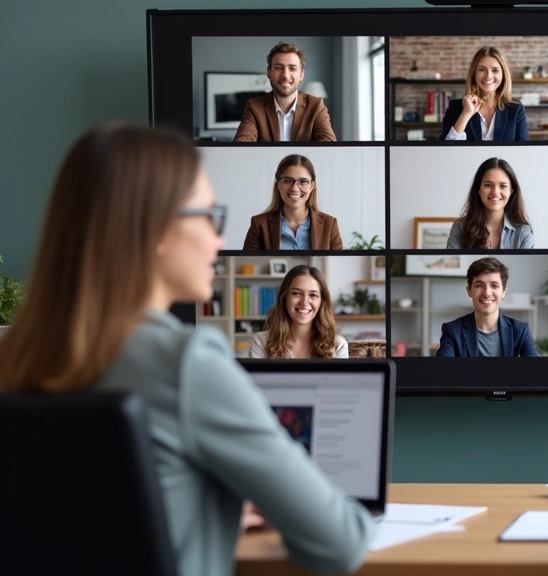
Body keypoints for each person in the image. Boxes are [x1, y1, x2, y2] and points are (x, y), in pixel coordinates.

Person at [0, 124, 374, 575]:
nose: (219, 241)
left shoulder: (16, 353)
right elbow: (341, 541)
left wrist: (203, 515)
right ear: (155, 228)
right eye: (208, 217)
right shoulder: (185, 363)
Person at [233, 42, 337, 142]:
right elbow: (241, 145)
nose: (285, 75)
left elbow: (328, 146)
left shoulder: (316, 106)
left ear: (301, 75)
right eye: (278, 68)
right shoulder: (255, 106)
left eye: (292, 68)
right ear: (269, 73)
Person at [436, 257, 539, 357]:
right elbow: (442, 371)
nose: (487, 293)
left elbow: (536, 370)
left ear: (503, 292)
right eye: (479, 285)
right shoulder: (452, 330)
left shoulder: (520, 330)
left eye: (494, 285)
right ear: (469, 291)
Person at [243, 154, 343, 250]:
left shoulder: (329, 224)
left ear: (312, 186)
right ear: (278, 185)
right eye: (288, 180)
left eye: (303, 181)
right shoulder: (259, 224)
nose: (295, 188)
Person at [249, 265, 348, 359]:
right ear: (284, 298)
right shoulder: (261, 342)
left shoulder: (338, 345)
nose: (304, 302)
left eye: (313, 295)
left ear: (322, 301)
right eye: (296, 293)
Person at [440, 46, 529, 141]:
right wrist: (466, 113)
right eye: (482, 69)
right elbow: (446, 150)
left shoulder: (516, 110)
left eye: (495, 70)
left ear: (503, 75)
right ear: (474, 73)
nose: (488, 76)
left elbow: (524, 152)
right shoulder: (455, 108)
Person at [447, 157, 534, 249]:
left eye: (503, 186)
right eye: (488, 185)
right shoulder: (460, 228)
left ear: (511, 191)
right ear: (479, 189)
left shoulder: (523, 232)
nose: (495, 192)